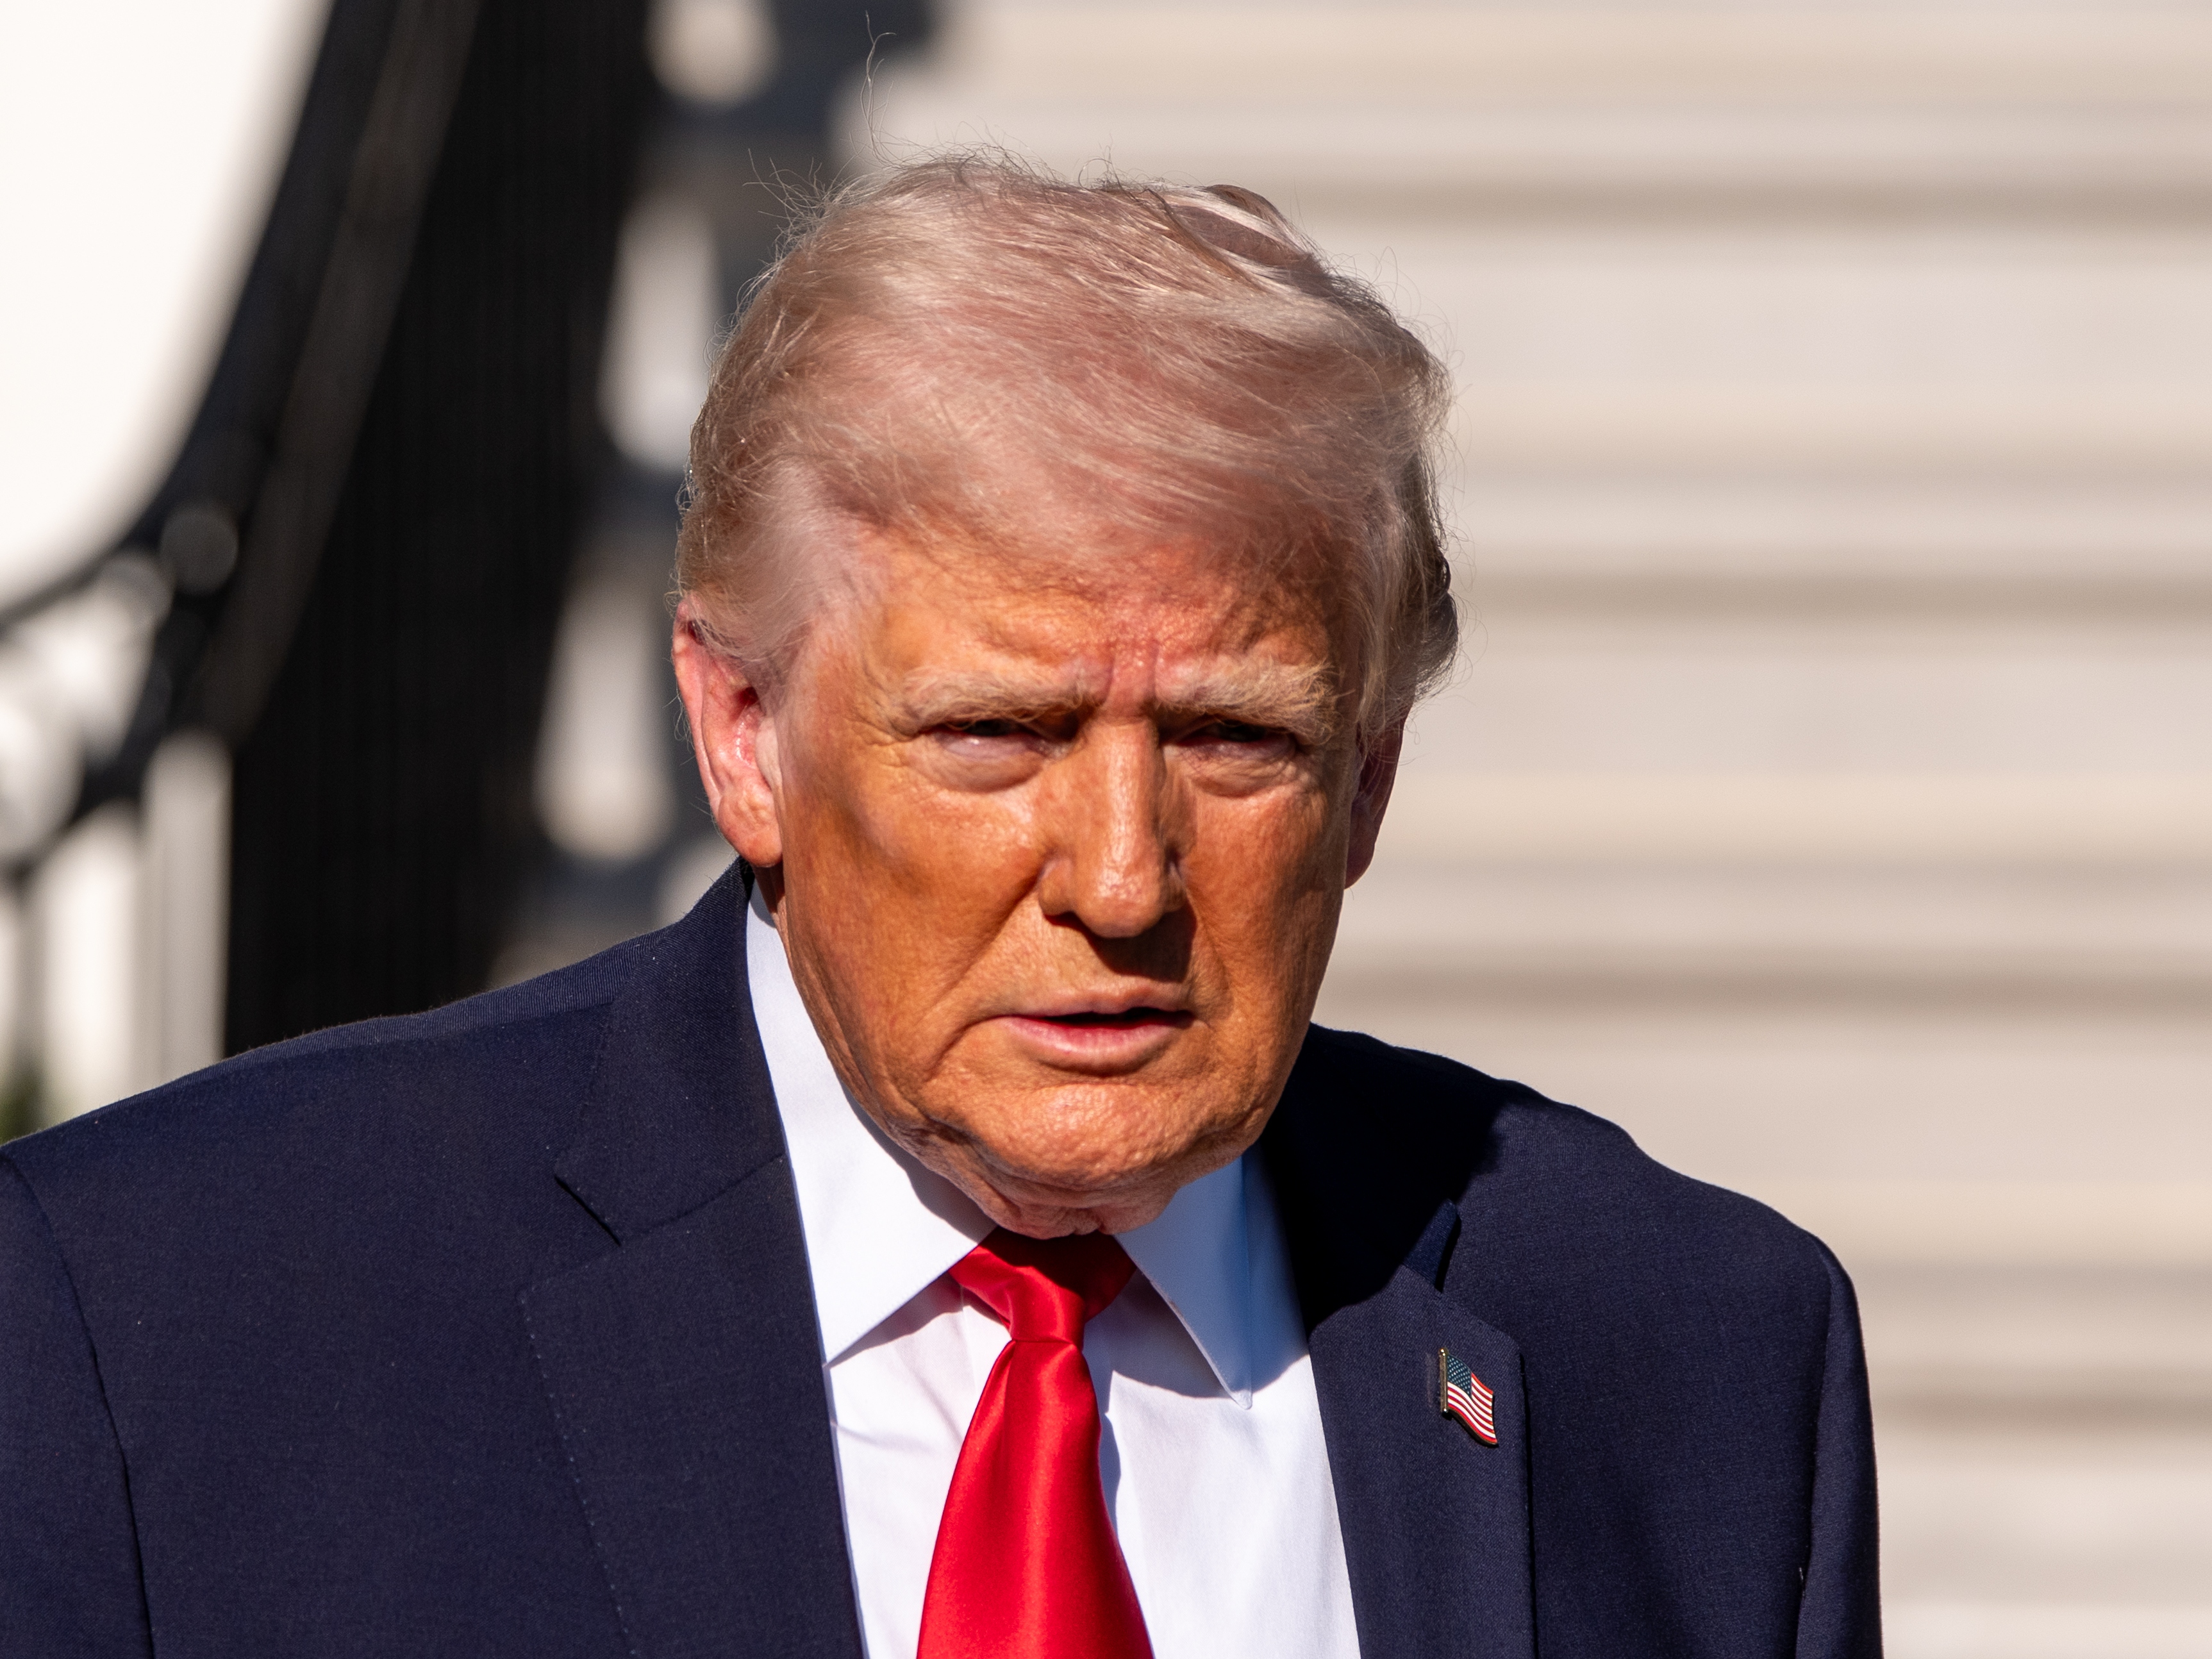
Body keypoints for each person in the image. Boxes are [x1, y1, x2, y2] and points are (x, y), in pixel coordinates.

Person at [1, 158, 1879, 1658]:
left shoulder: (1692, 1352)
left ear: (1369, 780)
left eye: (1234, 740)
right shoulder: (173, 1323)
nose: (1121, 876)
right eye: (997, 733)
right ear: (741, 734)